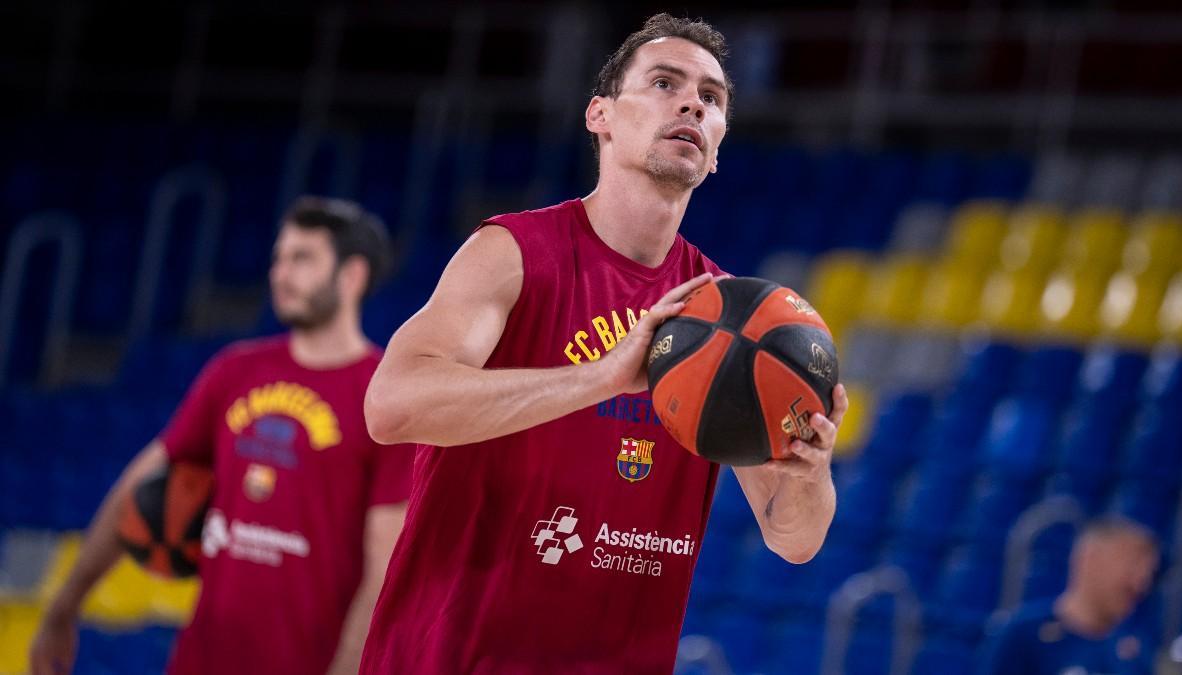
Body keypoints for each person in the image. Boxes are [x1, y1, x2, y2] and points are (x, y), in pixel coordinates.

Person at [359, 13, 848, 674]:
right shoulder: (513, 253)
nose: (692, 103)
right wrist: (603, 375)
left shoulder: (730, 313)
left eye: (712, 97)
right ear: (601, 116)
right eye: (665, 82)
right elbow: (391, 405)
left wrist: (806, 473)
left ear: (719, 142)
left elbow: (796, 539)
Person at [30, 197, 416, 675]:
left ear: (351, 275)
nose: (280, 273)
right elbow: (142, 484)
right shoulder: (234, 371)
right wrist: (65, 605)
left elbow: (385, 567)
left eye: (302, 258)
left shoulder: (382, 396)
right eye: (278, 257)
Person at [978, 516, 1161, 675]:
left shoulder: (1134, 653)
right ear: (1090, 559)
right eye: (1132, 566)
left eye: (1148, 572)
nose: (1141, 582)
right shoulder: (1023, 635)